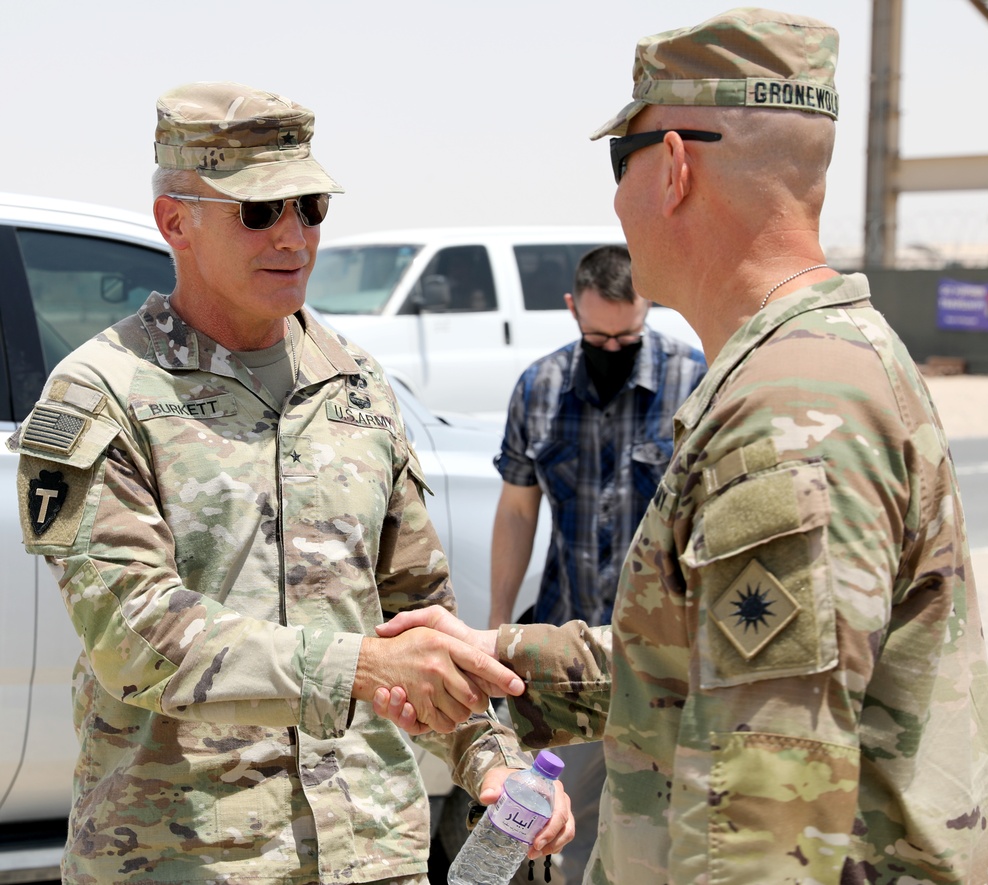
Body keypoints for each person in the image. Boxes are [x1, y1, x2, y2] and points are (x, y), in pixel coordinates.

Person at [375, 9, 988, 883]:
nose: (615, 202)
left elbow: (762, 825)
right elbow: (694, 658)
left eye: (617, 163)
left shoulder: (788, 417)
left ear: (672, 167)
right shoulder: (807, 369)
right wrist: (493, 659)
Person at [7, 81, 571, 885]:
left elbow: (420, 612)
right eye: (258, 211)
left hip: (372, 853)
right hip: (185, 857)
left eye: (309, 206)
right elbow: (134, 640)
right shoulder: (101, 393)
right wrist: (361, 669)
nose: (294, 235)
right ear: (176, 222)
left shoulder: (356, 385)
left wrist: (489, 761)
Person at [489, 245, 704, 882]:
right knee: (562, 824)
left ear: (648, 311)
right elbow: (518, 512)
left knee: (664, 830)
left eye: (627, 337)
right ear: (571, 310)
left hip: (664, 659)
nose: (612, 350)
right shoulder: (541, 386)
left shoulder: (692, 380)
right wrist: (499, 626)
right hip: (566, 654)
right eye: (595, 337)